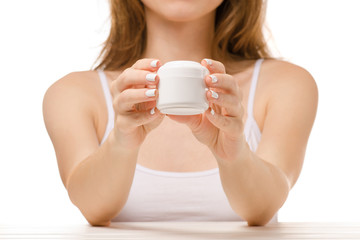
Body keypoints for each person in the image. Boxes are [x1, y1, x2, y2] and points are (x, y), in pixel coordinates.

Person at [43, 0, 318, 226]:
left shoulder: (287, 85)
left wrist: (234, 154)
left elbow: (264, 208)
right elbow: (93, 209)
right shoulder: (72, 94)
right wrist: (121, 142)